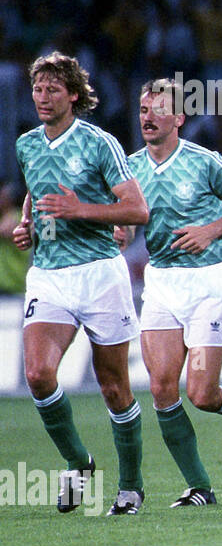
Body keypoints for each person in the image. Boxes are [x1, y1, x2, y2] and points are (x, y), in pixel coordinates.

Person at [118, 79, 222, 508]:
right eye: (143, 109)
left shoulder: (203, 162)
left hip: (208, 284)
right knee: (162, 388)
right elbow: (129, 222)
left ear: (179, 118)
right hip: (162, 284)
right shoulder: (130, 169)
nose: (147, 117)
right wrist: (120, 233)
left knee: (202, 393)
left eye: (158, 109)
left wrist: (212, 230)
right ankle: (199, 487)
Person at [13, 52, 150, 515]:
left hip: (99, 274)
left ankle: (130, 487)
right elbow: (37, 188)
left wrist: (82, 212)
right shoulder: (27, 144)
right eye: (38, 89)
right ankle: (79, 462)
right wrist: (29, 225)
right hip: (49, 275)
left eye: (53, 89)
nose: (43, 97)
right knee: (37, 374)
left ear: (74, 94)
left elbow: (137, 210)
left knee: (114, 386)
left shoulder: (99, 143)